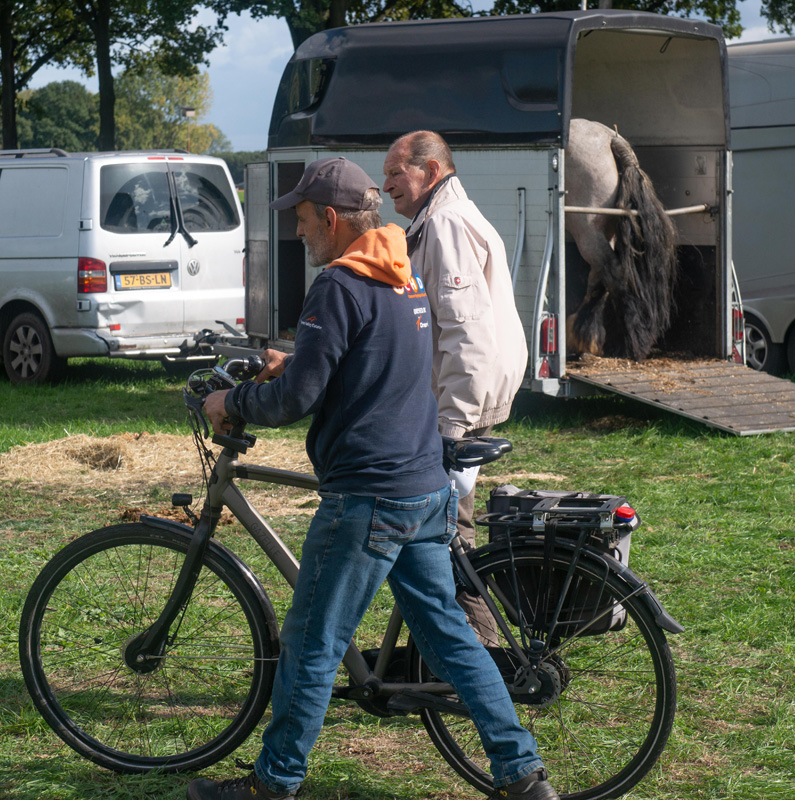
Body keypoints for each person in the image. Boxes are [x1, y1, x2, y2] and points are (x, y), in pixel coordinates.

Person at [191, 157, 556, 800]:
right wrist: (300, 357)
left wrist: (233, 401)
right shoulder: (400, 273)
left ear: (331, 219)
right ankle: (522, 775)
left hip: (369, 496)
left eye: (303, 219)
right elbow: (372, 361)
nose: (298, 232)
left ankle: (272, 785)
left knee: (311, 642)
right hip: (424, 488)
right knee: (452, 639)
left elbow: (295, 401)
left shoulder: (337, 284)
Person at [382, 130, 528, 629]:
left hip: (458, 405)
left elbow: (467, 333)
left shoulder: (445, 224)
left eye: (396, 173)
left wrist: (451, 427)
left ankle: (484, 656)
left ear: (431, 171)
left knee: (448, 538)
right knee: (444, 534)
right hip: (460, 399)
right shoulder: (444, 218)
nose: (387, 186)